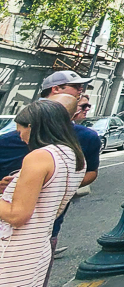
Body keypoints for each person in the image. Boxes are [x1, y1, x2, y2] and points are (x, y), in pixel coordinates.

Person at [0, 100, 86, 286]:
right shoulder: (74, 156)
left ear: (32, 127)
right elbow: (47, 196)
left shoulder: (39, 156)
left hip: (12, 250)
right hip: (38, 248)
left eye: (20, 130)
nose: (20, 136)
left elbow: (17, 215)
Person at [43, 93, 100, 268]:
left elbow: (91, 172)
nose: (87, 109)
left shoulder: (87, 137)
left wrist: (63, 184)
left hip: (50, 223)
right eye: (83, 106)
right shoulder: (10, 140)